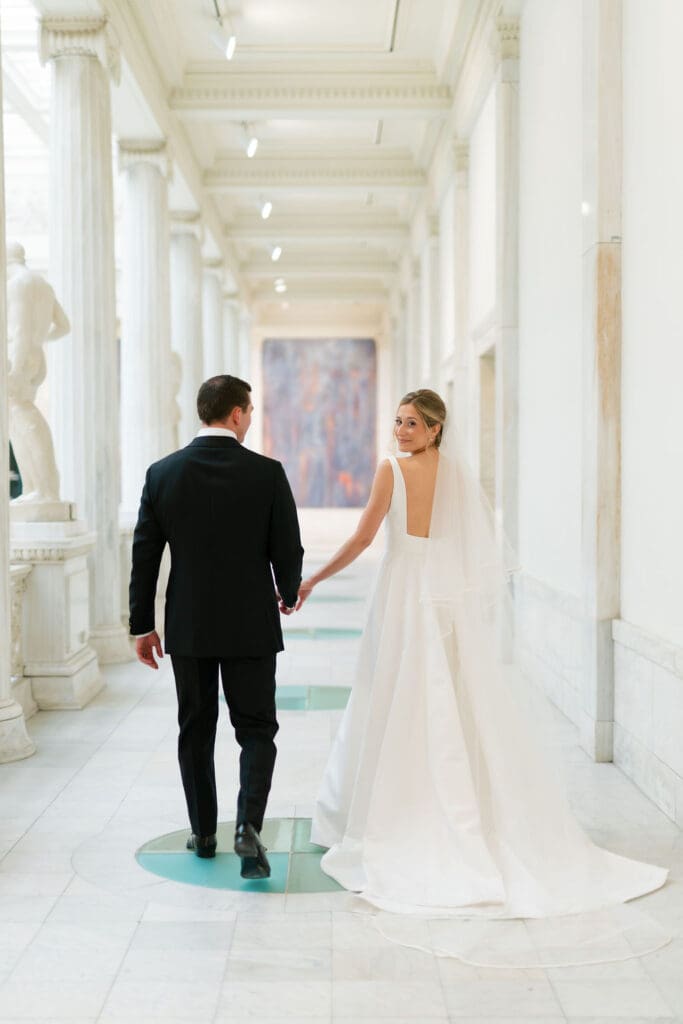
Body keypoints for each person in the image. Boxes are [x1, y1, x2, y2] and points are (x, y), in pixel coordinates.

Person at [298, 389, 668, 946]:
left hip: (403, 591)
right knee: (441, 695)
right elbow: (471, 547)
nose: (400, 431)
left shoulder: (390, 471)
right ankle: (462, 802)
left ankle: (403, 813)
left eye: (412, 423)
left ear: (435, 429)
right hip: (439, 597)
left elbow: (363, 538)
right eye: (397, 422)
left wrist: (312, 579)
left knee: (397, 690)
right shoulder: (455, 474)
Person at [129, 375, 303, 879]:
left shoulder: (162, 474)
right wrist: (288, 592)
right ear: (236, 414)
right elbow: (286, 547)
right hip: (250, 623)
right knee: (256, 729)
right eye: (249, 412)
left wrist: (143, 624)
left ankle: (203, 832)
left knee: (196, 728)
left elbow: (145, 556)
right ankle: (248, 828)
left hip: (189, 625)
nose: (249, 420)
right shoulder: (267, 474)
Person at [6, 240, 70, 504]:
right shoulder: (43, 284)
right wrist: (39, 341)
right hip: (34, 356)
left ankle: (43, 488)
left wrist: (15, 367)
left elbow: (19, 331)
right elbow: (64, 326)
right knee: (17, 420)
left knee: (22, 418)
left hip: (18, 358)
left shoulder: (17, 284)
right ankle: (35, 488)